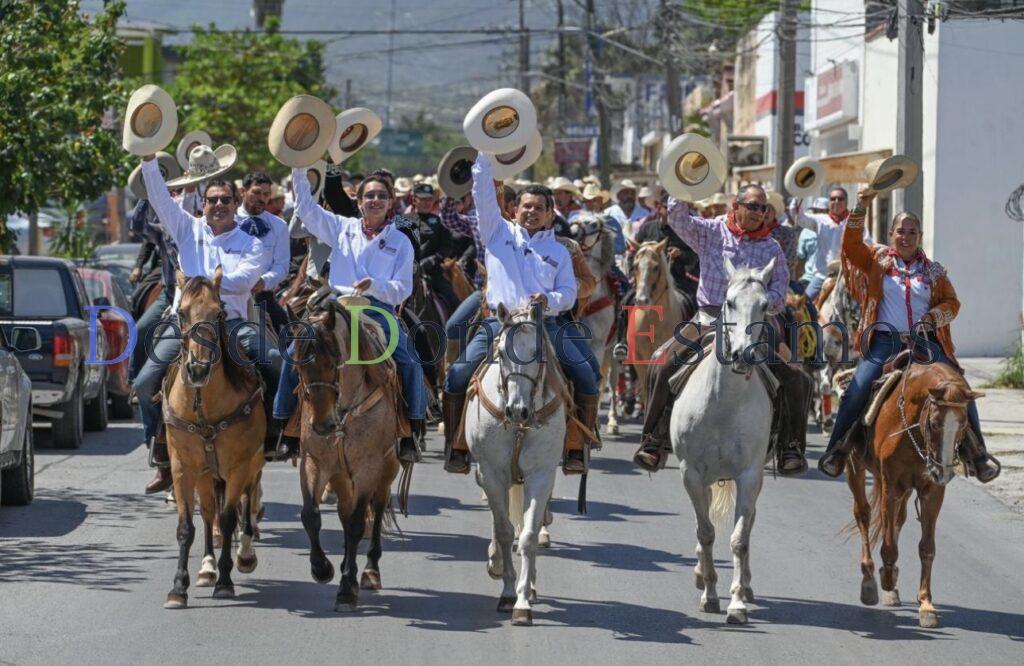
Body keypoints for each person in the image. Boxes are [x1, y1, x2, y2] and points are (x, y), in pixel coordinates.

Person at [817, 190, 1000, 482]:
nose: (906, 237)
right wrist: (861, 206)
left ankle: (978, 456)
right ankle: (836, 449)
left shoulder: (934, 271)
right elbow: (851, 247)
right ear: (891, 234)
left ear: (920, 236)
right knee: (857, 389)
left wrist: (932, 317)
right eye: (901, 231)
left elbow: (953, 304)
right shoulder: (876, 263)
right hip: (884, 343)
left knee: (960, 389)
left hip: (926, 345)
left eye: (912, 232)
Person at [632, 184, 809, 475]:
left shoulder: (772, 246)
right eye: (753, 206)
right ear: (735, 206)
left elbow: (780, 288)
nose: (759, 213)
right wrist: (684, 180)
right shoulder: (712, 232)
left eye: (763, 208)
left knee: (797, 376)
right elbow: (678, 219)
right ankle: (654, 440)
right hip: (708, 318)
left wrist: (763, 302)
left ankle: (790, 447)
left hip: (756, 322)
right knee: (661, 363)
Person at [442, 155, 602, 475]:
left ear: (548, 215)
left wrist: (550, 299)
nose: (530, 212)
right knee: (458, 375)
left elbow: (571, 292)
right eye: (525, 206)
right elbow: (483, 197)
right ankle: (456, 446)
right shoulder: (496, 233)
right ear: (515, 209)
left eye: (538, 208)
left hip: (547, 322)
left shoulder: (560, 250)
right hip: (498, 322)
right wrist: (485, 156)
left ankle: (576, 447)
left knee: (587, 374)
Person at [135, 157, 282, 494]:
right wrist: (147, 160)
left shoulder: (251, 242)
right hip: (185, 327)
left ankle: (274, 434)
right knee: (144, 382)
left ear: (236, 203)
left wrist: (205, 285)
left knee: (277, 363)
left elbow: (246, 280)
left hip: (231, 324)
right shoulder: (187, 227)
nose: (218, 205)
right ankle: (159, 448)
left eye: (225, 200)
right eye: (212, 200)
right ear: (203, 204)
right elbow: (158, 196)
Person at [275, 169, 426, 464]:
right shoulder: (340, 227)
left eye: (382, 195)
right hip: (336, 304)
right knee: (295, 351)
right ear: (358, 201)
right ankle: (285, 427)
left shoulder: (402, 240)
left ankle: (412, 430)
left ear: (391, 202)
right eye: (369, 195)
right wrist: (299, 167)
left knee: (409, 359)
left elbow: (403, 288)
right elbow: (305, 208)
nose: (375, 200)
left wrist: (376, 286)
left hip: (376, 308)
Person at [791, 186, 871, 303]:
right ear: (829, 202)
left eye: (840, 198)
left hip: (847, 277)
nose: (836, 201)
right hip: (822, 276)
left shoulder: (854, 221)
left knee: (864, 306)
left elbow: (868, 244)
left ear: (847, 202)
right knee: (805, 305)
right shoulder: (820, 220)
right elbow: (799, 217)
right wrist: (799, 194)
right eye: (833, 199)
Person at [237, 172, 291, 333]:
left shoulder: (279, 226)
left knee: (289, 340)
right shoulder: (228, 220)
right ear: (243, 192)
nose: (262, 198)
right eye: (256, 192)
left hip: (263, 297)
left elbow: (282, 266)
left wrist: (264, 281)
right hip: (229, 297)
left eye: (266, 194)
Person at [409, 182, 460, 316]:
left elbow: (447, 246)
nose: (427, 203)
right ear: (414, 200)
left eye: (430, 199)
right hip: (406, 274)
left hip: (433, 273)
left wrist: (434, 259)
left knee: (454, 301)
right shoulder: (402, 220)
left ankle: (457, 333)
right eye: (423, 199)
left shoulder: (439, 221)